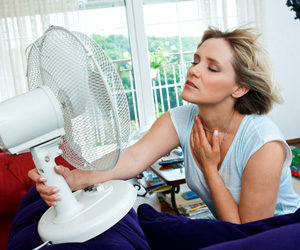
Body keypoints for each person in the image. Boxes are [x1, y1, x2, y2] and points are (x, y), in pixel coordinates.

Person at [28, 27, 300, 224]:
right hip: (229, 229)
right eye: (196, 61)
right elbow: (133, 157)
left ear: (240, 87)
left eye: (212, 68)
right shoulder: (182, 118)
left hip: (279, 235)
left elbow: (249, 234)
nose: (193, 70)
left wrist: (209, 169)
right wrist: (73, 178)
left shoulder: (263, 143)